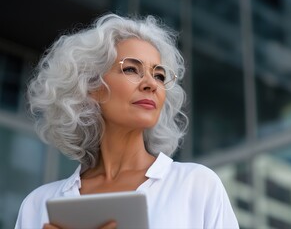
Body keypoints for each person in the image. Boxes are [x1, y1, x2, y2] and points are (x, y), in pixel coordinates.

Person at [15, 13, 239, 229]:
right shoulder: (37, 205)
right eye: (132, 69)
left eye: (159, 75)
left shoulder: (196, 185)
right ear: (90, 86)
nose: (151, 84)